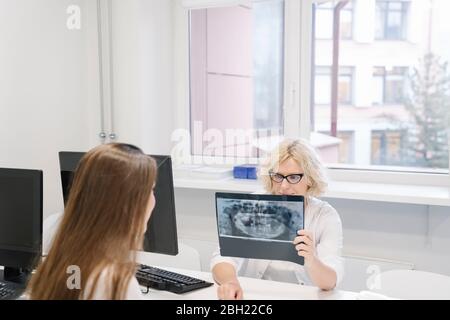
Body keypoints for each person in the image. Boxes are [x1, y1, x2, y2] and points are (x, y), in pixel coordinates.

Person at [211, 139, 344, 300]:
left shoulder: (325, 216)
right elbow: (223, 257)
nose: (283, 187)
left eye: (294, 177)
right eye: (278, 176)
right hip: (256, 297)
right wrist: (230, 282)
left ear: (310, 178)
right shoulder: (251, 206)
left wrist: (311, 259)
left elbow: (330, 282)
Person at [27, 143, 157, 299]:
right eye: (151, 190)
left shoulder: (57, 262)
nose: (153, 199)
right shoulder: (116, 282)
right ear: (129, 203)